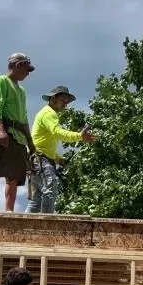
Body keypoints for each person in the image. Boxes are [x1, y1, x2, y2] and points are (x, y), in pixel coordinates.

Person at [28, 85, 95, 214]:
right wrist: (79, 136)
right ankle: (47, 225)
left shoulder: (46, 113)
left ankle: (22, 228)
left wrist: (58, 159)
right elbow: (57, 133)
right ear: (53, 99)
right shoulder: (49, 114)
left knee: (36, 199)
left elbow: (42, 142)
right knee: (50, 188)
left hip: (37, 157)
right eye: (63, 100)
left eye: (67, 102)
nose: (66, 104)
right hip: (40, 159)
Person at [0, 53, 36, 213]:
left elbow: (24, 117)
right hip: (7, 132)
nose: (28, 73)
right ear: (18, 65)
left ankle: (9, 210)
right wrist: (0, 130)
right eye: (26, 69)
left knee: (14, 176)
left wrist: (30, 142)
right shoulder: (2, 81)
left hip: (20, 137)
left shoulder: (21, 91)